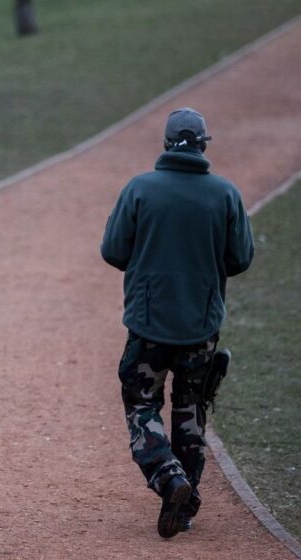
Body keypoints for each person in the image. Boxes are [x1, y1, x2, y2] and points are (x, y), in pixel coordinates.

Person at [100, 108, 254, 539]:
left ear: (167, 144)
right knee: (191, 409)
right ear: (205, 144)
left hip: (149, 325)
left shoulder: (140, 189)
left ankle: (170, 479)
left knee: (141, 404)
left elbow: (113, 250)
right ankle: (185, 506)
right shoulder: (225, 194)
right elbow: (240, 258)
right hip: (201, 326)